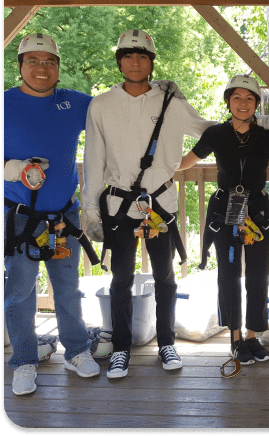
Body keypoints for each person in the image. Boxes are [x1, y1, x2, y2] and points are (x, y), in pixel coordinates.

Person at [82, 29, 214, 378]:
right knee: (120, 279)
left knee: (166, 277)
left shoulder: (169, 101)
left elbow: (208, 130)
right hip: (120, 204)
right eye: (128, 55)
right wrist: (90, 209)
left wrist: (254, 125)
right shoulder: (101, 105)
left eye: (142, 56)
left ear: (151, 63)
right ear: (119, 61)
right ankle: (121, 349)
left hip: (160, 202)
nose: (135, 62)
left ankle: (166, 343)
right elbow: (93, 158)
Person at [4, 33, 100, 395]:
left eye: (49, 61)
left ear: (58, 68)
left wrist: (157, 96)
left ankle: (76, 351)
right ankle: (24, 362)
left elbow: (119, 116)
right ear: (20, 66)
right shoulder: (5, 103)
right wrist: (11, 168)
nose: (41, 68)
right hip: (20, 217)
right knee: (20, 292)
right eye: (33, 60)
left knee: (67, 287)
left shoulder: (75, 103)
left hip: (64, 216)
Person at [178, 74, 269, 365]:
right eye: (237, 97)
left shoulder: (265, 136)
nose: (243, 103)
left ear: (256, 104)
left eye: (249, 98)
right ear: (228, 101)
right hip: (226, 210)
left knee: (258, 275)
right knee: (228, 275)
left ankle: (253, 336)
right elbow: (188, 160)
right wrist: (158, 171)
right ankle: (236, 338)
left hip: (257, 212)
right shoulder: (215, 133)